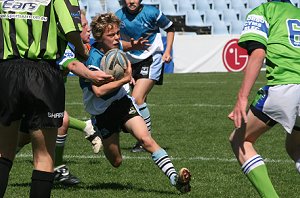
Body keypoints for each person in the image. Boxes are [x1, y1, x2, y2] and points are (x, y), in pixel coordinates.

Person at [0, 1, 111, 197]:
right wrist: (81, 50)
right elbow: (70, 29)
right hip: (42, 73)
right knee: (44, 157)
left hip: (7, 71)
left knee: (3, 153)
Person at [79, 12, 191, 194]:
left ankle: (175, 179)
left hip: (122, 102)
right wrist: (125, 79)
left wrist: (134, 45)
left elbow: (124, 45)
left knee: (146, 139)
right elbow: (98, 92)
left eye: (117, 33)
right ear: (99, 37)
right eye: (111, 35)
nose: (116, 38)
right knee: (116, 162)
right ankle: (95, 129)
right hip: (102, 113)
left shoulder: (115, 46)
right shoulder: (94, 58)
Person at [228, 0, 300, 197]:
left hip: (285, 86)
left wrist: (242, 97)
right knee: (295, 148)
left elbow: (258, 54)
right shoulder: (297, 12)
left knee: (240, 140)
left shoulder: (263, 11)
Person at [115, 0, 175, 152]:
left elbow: (170, 28)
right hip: (131, 61)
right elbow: (115, 41)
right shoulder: (118, 16)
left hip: (152, 57)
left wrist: (167, 51)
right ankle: (141, 139)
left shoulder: (152, 12)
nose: (131, 1)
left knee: (136, 99)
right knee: (138, 101)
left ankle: (145, 140)